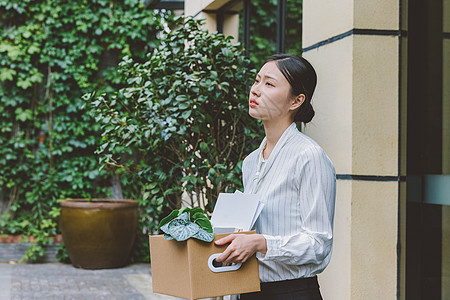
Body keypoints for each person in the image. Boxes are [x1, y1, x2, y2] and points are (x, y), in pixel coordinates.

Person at [214, 54, 336, 300]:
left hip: (292, 292)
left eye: (269, 84)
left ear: (296, 100)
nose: (256, 89)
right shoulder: (250, 162)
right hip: (247, 289)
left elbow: (319, 244)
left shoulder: (309, 156)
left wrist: (261, 244)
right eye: (257, 80)